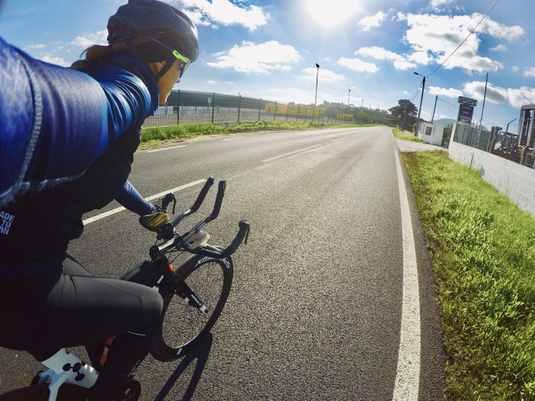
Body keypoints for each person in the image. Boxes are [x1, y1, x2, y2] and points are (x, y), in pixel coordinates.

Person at [0, 0, 198, 399]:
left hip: (18, 256)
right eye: (183, 64)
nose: (180, 76)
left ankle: (70, 369)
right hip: (17, 293)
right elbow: (61, 109)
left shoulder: (101, 74)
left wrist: (149, 212)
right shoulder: (131, 89)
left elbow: (108, 173)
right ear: (162, 58)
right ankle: (109, 393)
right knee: (147, 306)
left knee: (89, 284)